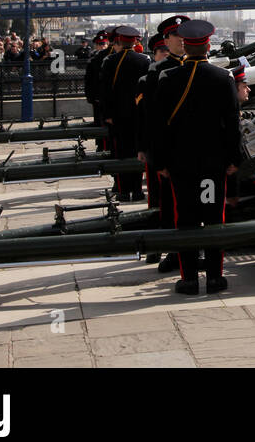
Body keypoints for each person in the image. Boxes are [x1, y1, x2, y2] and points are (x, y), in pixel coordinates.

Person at [151, 19, 241, 295]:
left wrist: (161, 163)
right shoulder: (222, 78)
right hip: (212, 164)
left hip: (180, 164)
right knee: (213, 215)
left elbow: (160, 125)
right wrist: (233, 160)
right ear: (208, 46)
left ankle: (189, 278)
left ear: (185, 46)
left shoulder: (168, 78)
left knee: (185, 218)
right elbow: (231, 124)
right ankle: (214, 277)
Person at [135, 15, 190, 272]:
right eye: (175, 35)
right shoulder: (157, 71)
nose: (181, 39)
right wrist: (151, 152)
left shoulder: (198, 65)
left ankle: (192, 250)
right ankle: (173, 252)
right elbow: (152, 117)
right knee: (168, 203)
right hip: (171, 148)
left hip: (195, 148)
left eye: (184, 34)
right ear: (166, 41)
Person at [100, 26, 150, 201]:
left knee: (120, 153)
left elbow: (105, 91)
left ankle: (122, 189)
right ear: (135, 41)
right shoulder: (144, 60)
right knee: (137, 152)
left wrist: (107, 114)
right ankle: (137, 189)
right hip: (137, 114)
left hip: (118, 116)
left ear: (119, 41)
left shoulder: (110, 61)